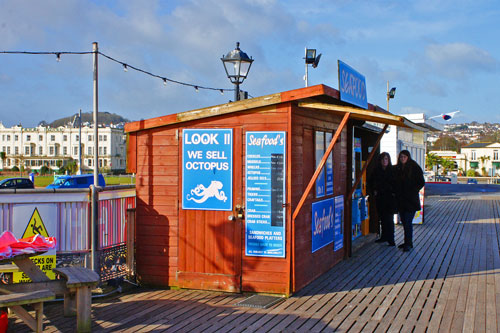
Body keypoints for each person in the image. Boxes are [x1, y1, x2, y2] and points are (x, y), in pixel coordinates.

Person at [395, 150, 425, 252]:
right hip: (401, 200)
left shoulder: (414, 167)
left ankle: (408, 243)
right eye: (401, 157)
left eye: (404, 157)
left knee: (407, 222)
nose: (402, 158)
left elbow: (421, 182)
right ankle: (407, 242)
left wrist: (413, 190)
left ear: (408, 157)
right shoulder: (398, 168)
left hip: (411, 200)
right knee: (404, 222)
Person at [368, 152, 397, 246]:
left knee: (389, 219)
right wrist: (374, 191)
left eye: (386, 159)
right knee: (382, 218)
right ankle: (384, 236)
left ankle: (391, 239)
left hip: (390, 198)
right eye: (383, 159)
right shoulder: (376, 171)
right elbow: (371, 182)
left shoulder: (392, 170)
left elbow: (395, 184)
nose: (384, 161)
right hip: (380, 198)